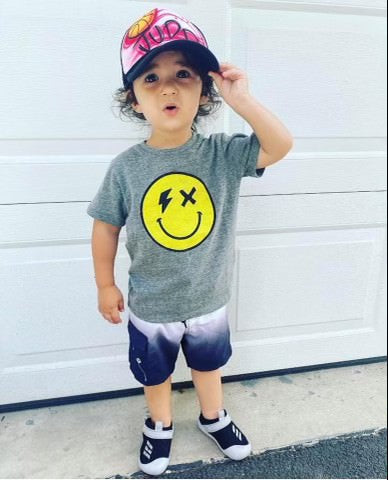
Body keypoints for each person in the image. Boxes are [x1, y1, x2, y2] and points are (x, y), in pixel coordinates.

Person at [87, 7, 293, 476]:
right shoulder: (125, 168)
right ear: (135, 100)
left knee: (208, 366)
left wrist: (244, 102)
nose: (168, 87)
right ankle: (159, 424)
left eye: (183, 73)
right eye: (151, 78)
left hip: (209, 298)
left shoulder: (222, 154)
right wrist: (105, 284)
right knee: (156, 373)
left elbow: (279, 146)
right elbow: (105, 225)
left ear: (203, 90)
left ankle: (212, 417)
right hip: (151, 303)